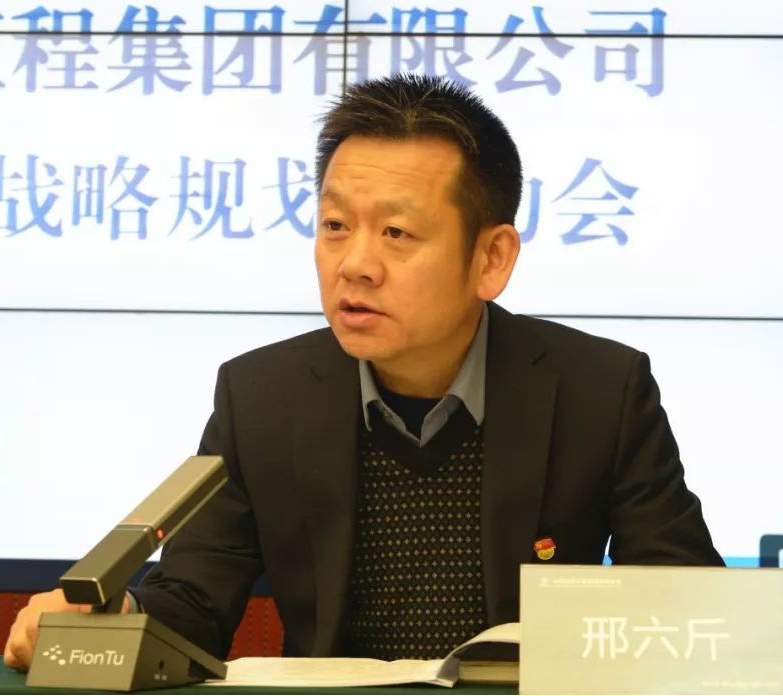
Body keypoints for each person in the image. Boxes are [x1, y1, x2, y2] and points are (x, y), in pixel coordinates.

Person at [4, 73, 723, 671]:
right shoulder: (262, 397)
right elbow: (193, 603)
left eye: (397, 233)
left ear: (491, 258)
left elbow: (690, 610)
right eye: (335, 226)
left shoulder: (600, 390)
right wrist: (117, 618)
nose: (354, 264)